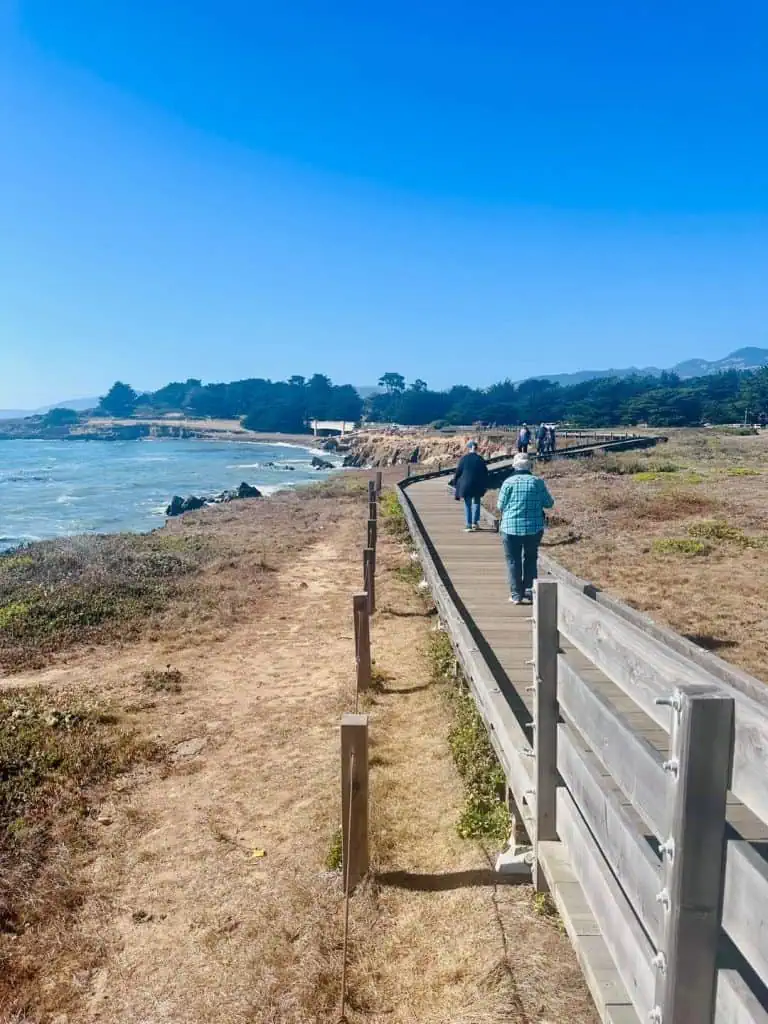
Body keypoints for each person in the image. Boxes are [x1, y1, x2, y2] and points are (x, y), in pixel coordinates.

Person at [497, 453, 554, 604]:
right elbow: (549, 503)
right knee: (530, 558)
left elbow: (500, 505)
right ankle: (529, 591)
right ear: (530, 466)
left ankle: (516, 595)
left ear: (514, 465)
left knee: (513, 561)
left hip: (510, 527)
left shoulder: (508, 482)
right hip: (533, 528)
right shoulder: (537, 482)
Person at [449, 440, 488, 532]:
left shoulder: (464, 459)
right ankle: (475, 523)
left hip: (466, 484)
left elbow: (458, 472)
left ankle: (469, 525)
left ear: (469, 448)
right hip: (478, 484)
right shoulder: (480, 459)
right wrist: (485, 484)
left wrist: (455, 482)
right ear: (476, 448)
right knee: (477, 502)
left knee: (467, 504)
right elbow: (485, 473)